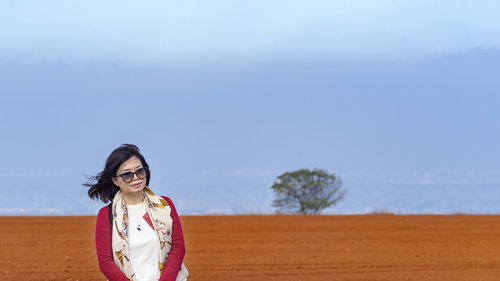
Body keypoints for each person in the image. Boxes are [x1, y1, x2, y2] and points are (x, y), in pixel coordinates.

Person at [84, 144, 188, 281]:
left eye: (139, 171)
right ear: (115, 180)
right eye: (127, 174)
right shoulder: (106, 215)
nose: (136, 178)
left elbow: (178, 247)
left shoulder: (165, 205)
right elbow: (105, 262)